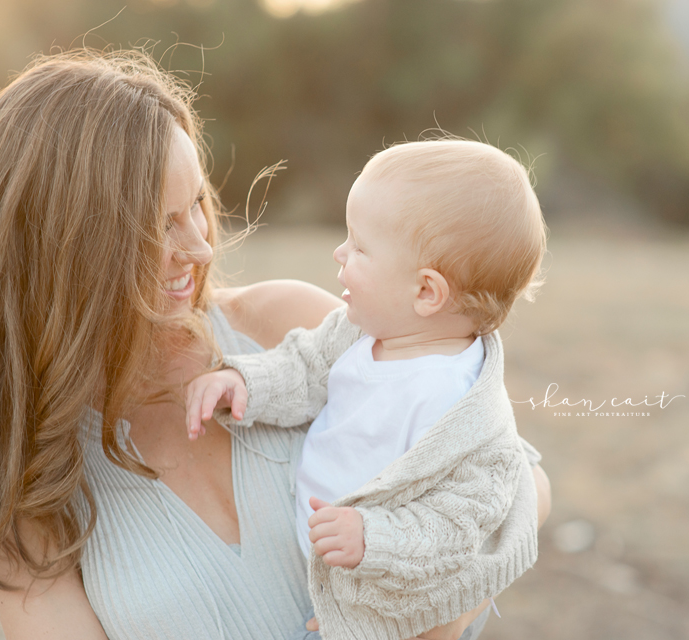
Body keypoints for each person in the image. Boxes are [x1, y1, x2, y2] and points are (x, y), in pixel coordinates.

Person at [0, 49, 549, 640]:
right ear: (64, 247)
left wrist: (443, 613)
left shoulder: (291, 327)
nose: (203, 246)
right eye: (162, 225)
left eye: (197, 207)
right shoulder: (27, 471)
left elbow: (516, 477)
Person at [186, 140, 549, 640]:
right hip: (323, 559)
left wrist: (372, 540)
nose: (339, 253)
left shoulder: (464, 412)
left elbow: (454, 527)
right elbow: (306, 366)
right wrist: (245, 380)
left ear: (426, 292)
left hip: (387, 585)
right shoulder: (359, 333)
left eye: (359, 246)